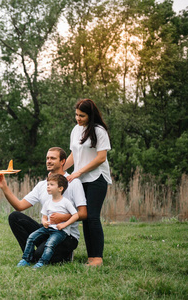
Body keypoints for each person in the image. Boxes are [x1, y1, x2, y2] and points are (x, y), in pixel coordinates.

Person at [0, 147, 87, 264]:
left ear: (63, 161)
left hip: (67, 235)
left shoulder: (73, 182)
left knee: (40, 255)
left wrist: (63, 217)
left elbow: (83, 213)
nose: (48, 161)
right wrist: (4, 187)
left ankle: (65, 254)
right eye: (47, 158)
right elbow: (19, 206)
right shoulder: (42, 185)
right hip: (47, 230)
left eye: (53, 158)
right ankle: (29, 256)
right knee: (15, 217)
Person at [64, 98, 112, 267]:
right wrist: (59, 169)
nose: (78, 118)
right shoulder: (76, 130)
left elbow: (101, 158)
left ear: (91, 115)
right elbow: (73, 155)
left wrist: (78, 172)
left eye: (82, 115)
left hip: (97, 178)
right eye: (76, 115)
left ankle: (97, 258)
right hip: (80, 180)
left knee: (92, 217)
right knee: (84, 217)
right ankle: (90, 257)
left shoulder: (99, 131)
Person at [17, 174, 79, 268]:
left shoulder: (66, 202)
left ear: (60, 188)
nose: (48, 186)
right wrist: (44, 222)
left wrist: (64, 225)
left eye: (51, 184)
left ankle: (42, 262)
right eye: (47, 184)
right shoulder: (48, 202)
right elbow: (44, 216)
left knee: (50, 244)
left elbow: (76, 215)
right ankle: (26, 259)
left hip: (60, 231)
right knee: (31, 237)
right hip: (48, 228)